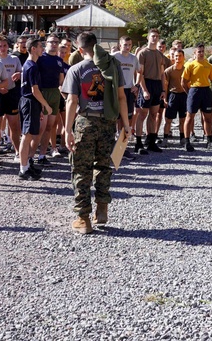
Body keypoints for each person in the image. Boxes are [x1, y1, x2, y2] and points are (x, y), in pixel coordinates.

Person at [62, 31, 129, 234]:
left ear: (80, 49)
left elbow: (72, 101)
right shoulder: (113, 65)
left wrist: (67, 130)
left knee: (81, 170)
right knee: (103, 166)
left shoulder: (76, 69)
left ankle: (83, 218)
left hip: (85, 123)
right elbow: (122, 97)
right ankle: (101, 209)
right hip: (108, 123)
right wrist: (126, 125)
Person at [17, 38, 51, 179]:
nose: (42, 49)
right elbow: (34, 90)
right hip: (30, 101)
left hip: (31, 102)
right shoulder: (32, 66)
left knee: (30, 134)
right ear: (33, 49)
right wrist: (47, 105)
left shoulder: (30, 64)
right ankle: (23, 169)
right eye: (40, 47)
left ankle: (27, 165)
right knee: (26, 135)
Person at [135, 29, 167, 152]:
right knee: (142, 114)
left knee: (154, 114)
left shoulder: (160, 55)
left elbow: (163, 73)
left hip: (157, 85)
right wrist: (144, 90)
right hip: (146, 83)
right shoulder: (142, 53)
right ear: (148, 38)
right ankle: (138, 143)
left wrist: (163, 89)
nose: (155, 38)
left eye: (157, 36)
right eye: (153, 36)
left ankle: (151, 142)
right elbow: (140, 73)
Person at [181, 43, 212, 150]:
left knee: (207, 118)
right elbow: (183, 82)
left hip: (206, 91)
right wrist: (190, 93)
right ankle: (187, 141)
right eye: (199, 51)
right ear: (195, 53)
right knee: (189, 117)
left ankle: (209, 141)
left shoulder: (209, 65)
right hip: (194, 90)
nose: (201, 53)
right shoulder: (190, 65)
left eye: (202, 51)